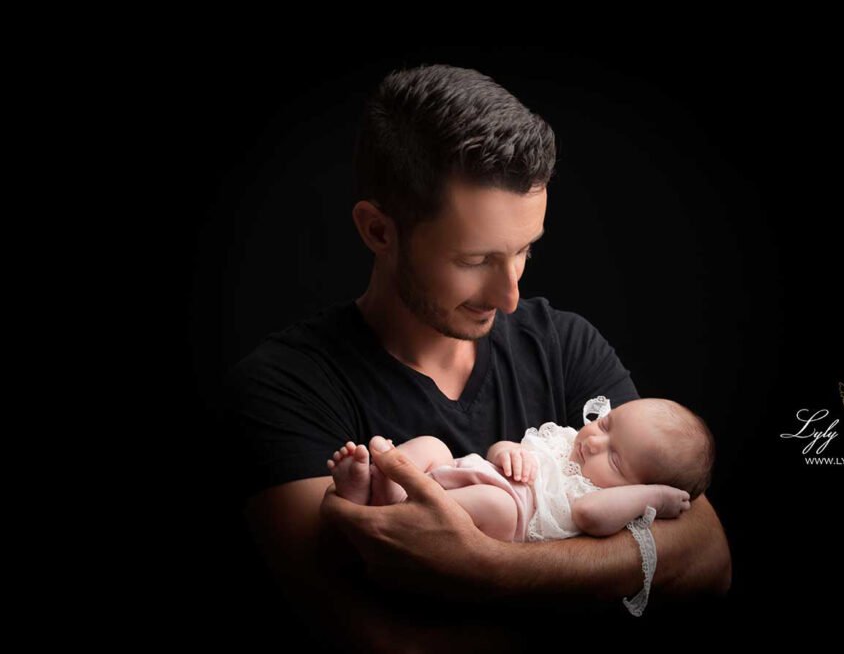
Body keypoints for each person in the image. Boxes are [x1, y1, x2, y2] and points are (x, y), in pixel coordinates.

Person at [222, 63, 731, 652]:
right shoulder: (283, 388)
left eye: (524, 251)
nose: (510, 296)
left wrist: (486, 566)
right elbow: (377, 637)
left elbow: (706, 553)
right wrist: (585, 590)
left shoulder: (564, 344)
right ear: (379, 231)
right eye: (474, 260)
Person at [325, 395, 712, 545]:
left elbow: (588, 516)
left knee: (498, 504)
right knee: (432, 446)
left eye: (614, 460)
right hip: (466, 471)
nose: (595, 441)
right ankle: (380, 485)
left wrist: (650, 499)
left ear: (635, 489)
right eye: (607, 425)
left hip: (503, 514)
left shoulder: (603, 497)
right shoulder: (566, 439)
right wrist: (508, 451)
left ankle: (392, 505)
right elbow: (502, 449)